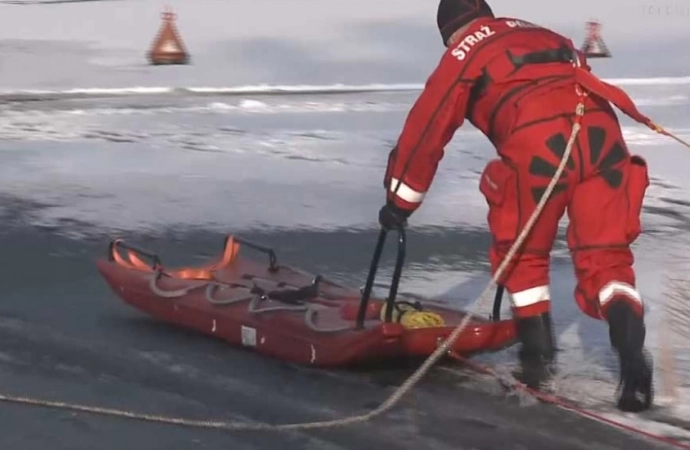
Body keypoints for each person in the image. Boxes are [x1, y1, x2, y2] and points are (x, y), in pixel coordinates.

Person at [378, 0, 654, 413]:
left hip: (540, 144)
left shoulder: (464, 51)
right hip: (602, 137)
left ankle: (537, 360)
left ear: (450, 32)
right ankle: (634, 358)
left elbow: (427, 126)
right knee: (607, 258)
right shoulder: (539, 32)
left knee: (522, 251)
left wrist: (400, 201)